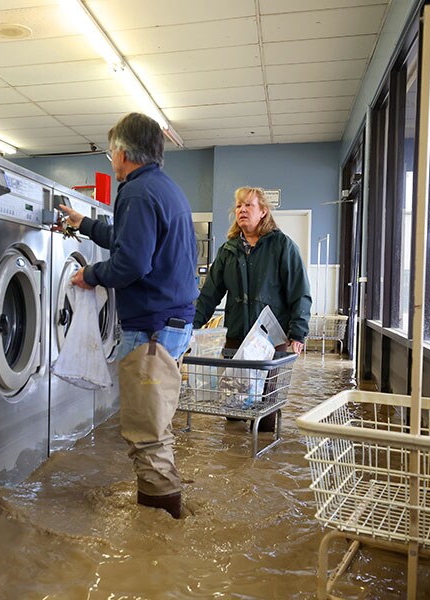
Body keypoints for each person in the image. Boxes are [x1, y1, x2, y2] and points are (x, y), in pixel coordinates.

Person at [58, 112, 198, 519]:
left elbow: (130, 263)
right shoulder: (161, 188)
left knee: (146, 433)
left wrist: (90, 274)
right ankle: (166, 516)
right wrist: (86, 225)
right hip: (169, 325)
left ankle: (159, 534)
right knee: (155, 425)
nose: (111, 159)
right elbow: (127, 239)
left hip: (152, 329)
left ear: (121, 151)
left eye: (110, 151)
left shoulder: (137, 192)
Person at [194, 186, 311, 354]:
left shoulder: (283, 246)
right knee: (234, 381)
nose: (242, 210)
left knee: (268, 381)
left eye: (248, 205)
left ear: (263, 211)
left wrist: (298, 333)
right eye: (239, 206)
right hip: (235, 340)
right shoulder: (227, 251)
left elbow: (299, 292)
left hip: (271, 341)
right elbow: (208, 295)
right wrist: (191, 327)